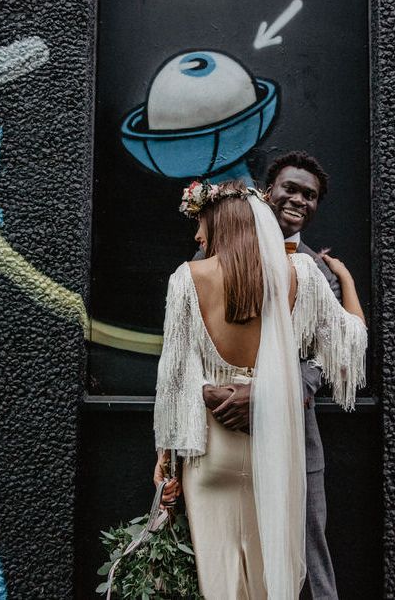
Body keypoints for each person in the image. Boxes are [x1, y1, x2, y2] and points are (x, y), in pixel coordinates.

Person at [152, 180, 366, 600]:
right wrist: (347, 281)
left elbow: (175, 380)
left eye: (202, 224)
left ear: (223, 224)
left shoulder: (187, 279)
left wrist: (164, 460)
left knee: (221, 585)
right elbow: (351, 344)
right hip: (275, 451)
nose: (198, 236)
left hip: (211, 451)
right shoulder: (300, 275)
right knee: (270, 583)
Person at [204, 151, 351, 600]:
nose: (299, 200)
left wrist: (271, 393)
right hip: (222, 429)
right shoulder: (213, 254)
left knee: (308, 551)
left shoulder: (322, 273)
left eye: (310, 195)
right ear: (269, 192)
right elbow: (194, 337)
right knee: (227, 553)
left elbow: (331, 355)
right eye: (291, 188)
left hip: (294, 434)